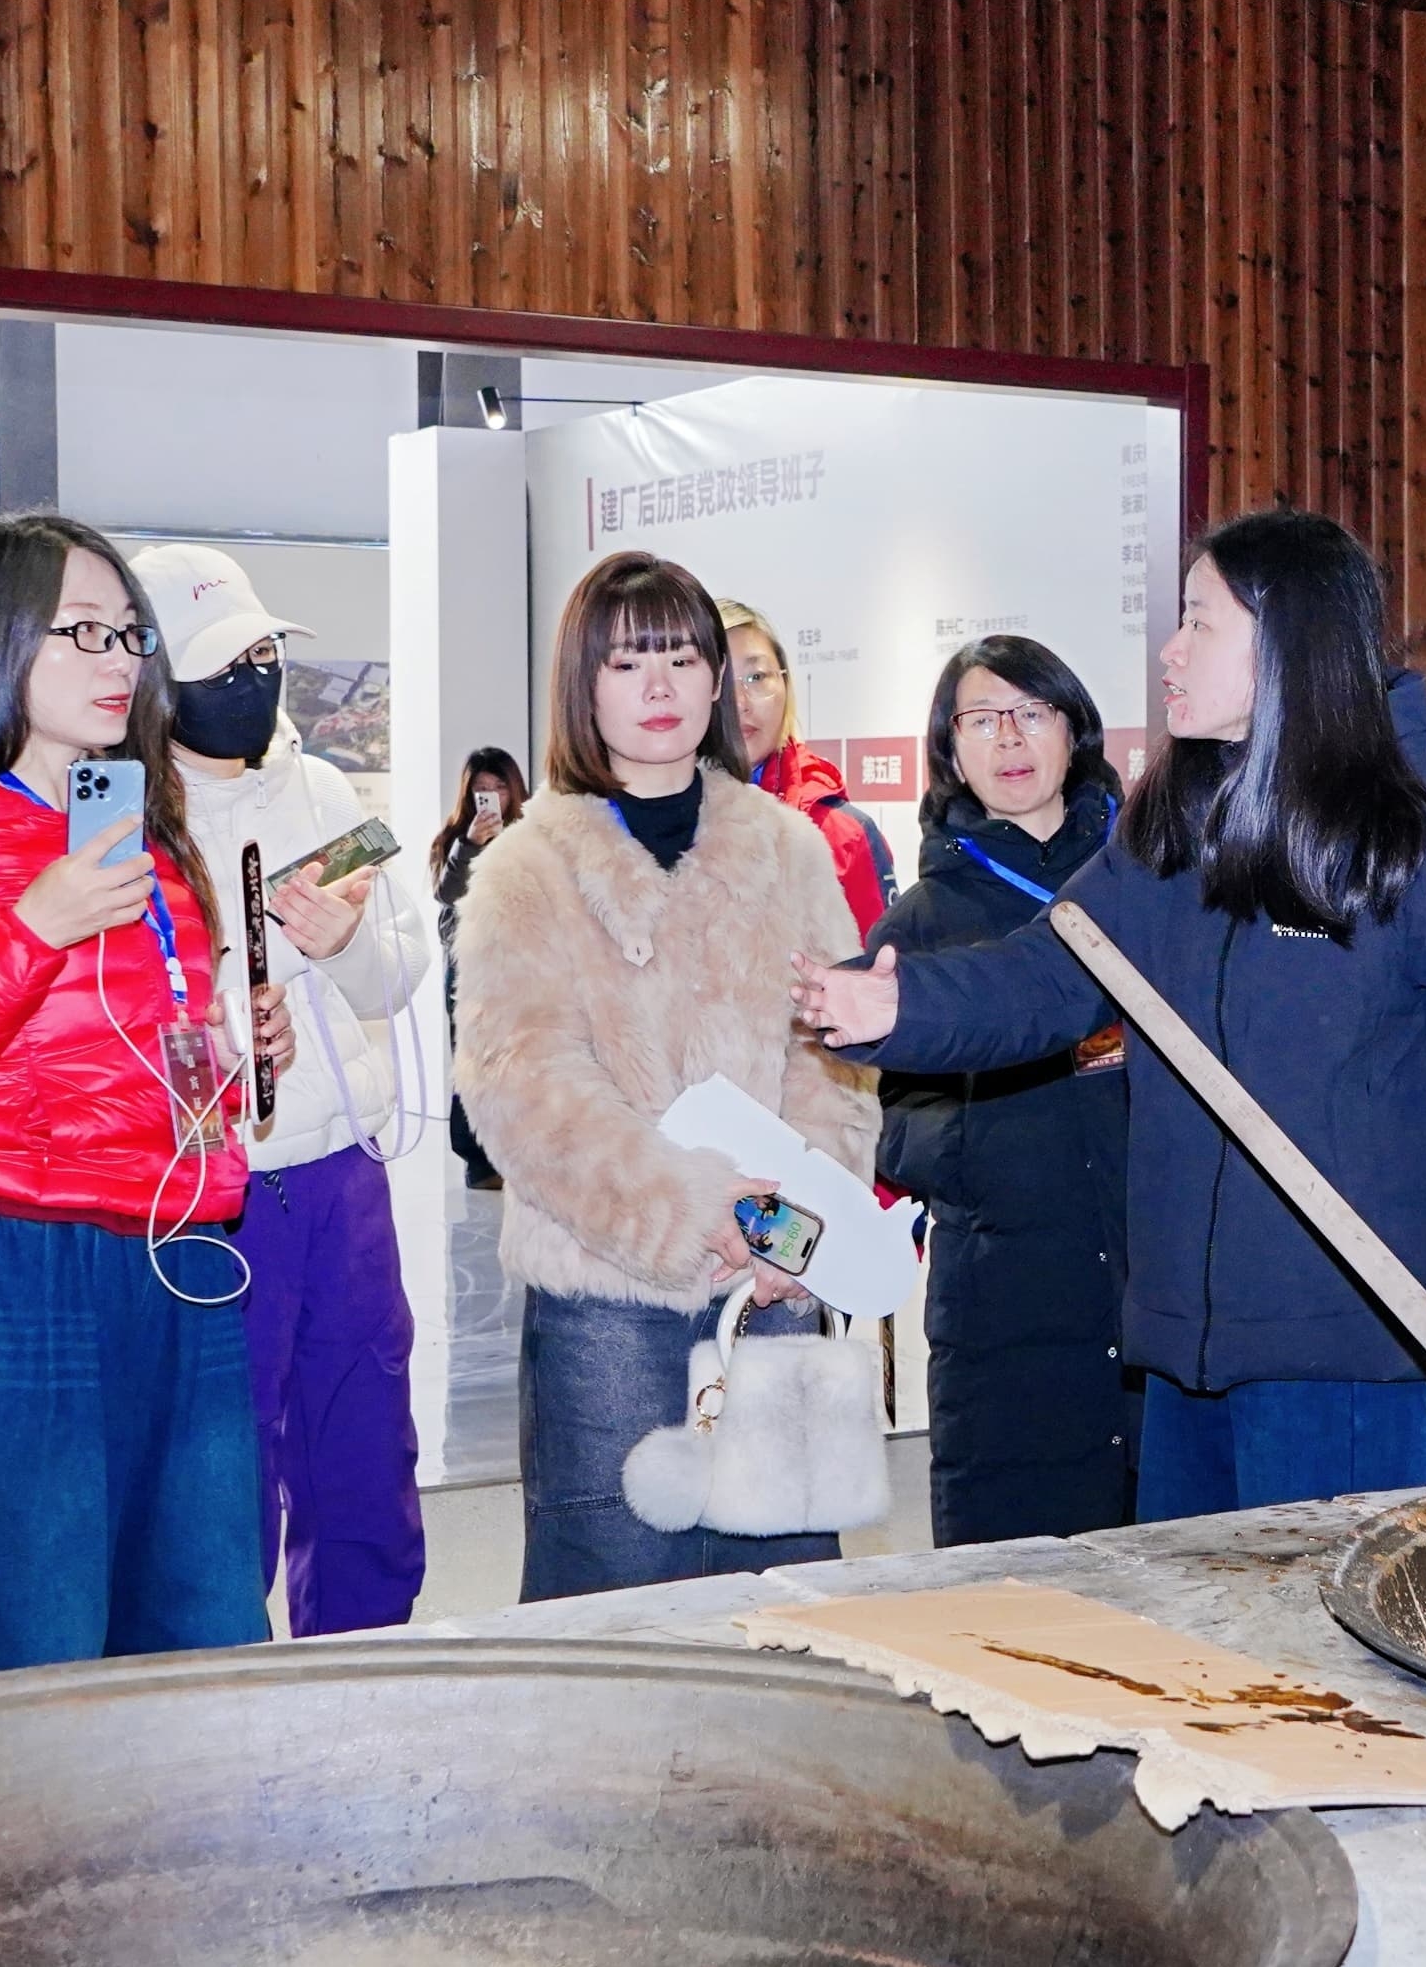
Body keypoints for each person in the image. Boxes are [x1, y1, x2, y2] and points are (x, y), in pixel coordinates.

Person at [794, 509, 1426, 1517]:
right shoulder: (1172, 824)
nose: (1170, 652)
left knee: (1322, 1622)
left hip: (1337, 1350)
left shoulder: (1404, 828)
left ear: (1284, 643)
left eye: (1199, 623)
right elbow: (1051, 971)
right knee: (1196, 1621)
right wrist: (900, 1002)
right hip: (1183, 1351)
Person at [0, 515, 267, 1690]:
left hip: (179, 1255)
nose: (118, 659)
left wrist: (226, 1055)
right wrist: (34, 926)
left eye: (128, 633)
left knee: (205, 1626)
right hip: (11, 1261)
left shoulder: (144, 831)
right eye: (82, 631)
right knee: (24, 1636)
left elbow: (130, 1038)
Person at [453, 552, 878, 1598]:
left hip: (773, 1281)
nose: (659, 686)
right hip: (606, 1298)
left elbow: (829, 1059)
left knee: (785, 1600)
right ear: (583, 683)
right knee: (619, 1607)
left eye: (683, 657)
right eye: (627, 660)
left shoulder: (788, 848)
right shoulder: (524, 869)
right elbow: (524, 1086)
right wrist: (690, 1209)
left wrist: (795, 1235)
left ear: (716, 679)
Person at [130, 542, 429, 1638]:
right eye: (222, 666)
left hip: (343, 1173)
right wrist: (226, 1008)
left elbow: (397, 976)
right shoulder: (126, 819)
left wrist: (343, 944)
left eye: (264, 654)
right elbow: (122, 1010)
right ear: (159, 683)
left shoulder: (326, 789)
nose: (253, 681)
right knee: (224, 1463)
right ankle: (222, 1687)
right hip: (215, 1191)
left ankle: (368, 1663)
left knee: (364, 1445)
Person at [868, 636, 1134, 1543]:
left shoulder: (1145, 884)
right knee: (1013, 1578)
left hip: (1152, 1278)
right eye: (982, 720)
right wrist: (997, 1131)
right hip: (1005, 1292)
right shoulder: (921, 922)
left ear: (1075, 732)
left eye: (1033, 713)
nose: (1010, 739)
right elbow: (889, 1118)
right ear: (950, 748)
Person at [721, 598, 896, 939]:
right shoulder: (645, 821)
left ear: (785, 686)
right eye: (722, 681)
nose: (740, 702)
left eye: (756, 677)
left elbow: (880, 966)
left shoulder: (845, 834)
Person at [430, 746, 529, 1191]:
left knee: (521, 1062)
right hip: (468, 965)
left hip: (521, 964)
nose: (490, 796)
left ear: (514, 790)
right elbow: (447, 894)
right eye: (481, 788)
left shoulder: (531, 836)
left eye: (499, 787)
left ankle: (520, 1156)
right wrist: (470, 845)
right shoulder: (454, 838)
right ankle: (476, 1160)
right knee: (471, 1062)